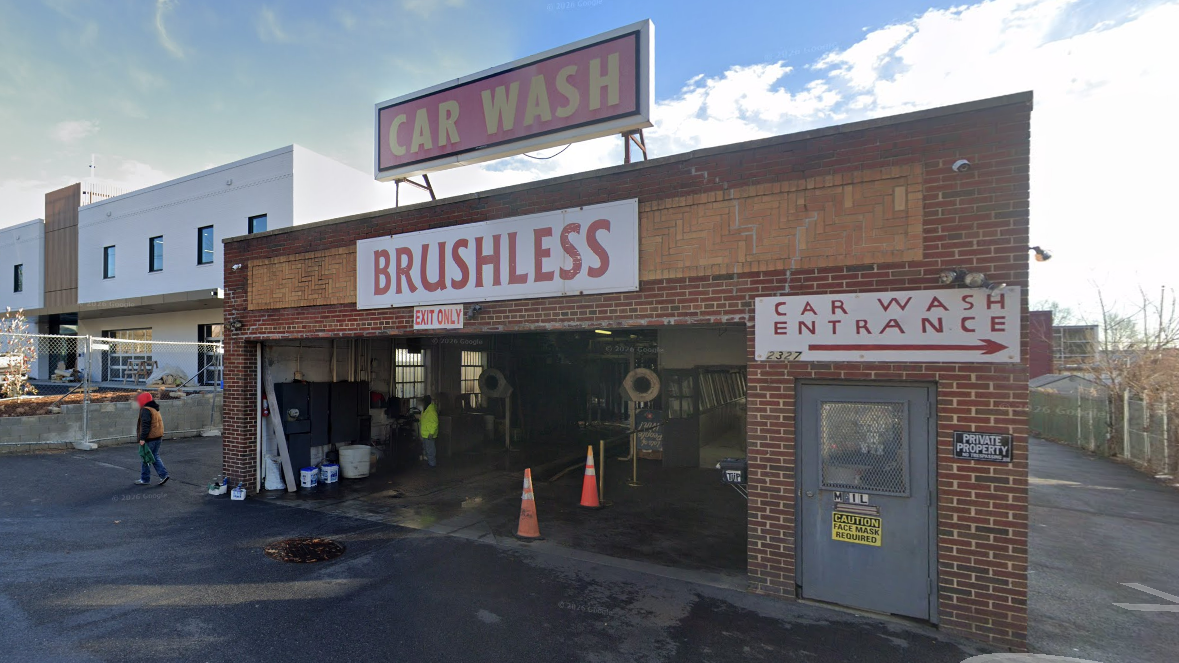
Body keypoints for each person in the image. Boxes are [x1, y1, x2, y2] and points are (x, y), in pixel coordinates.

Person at [134, 392, 169, 486]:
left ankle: (145, 479)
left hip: (150, 438)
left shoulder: (146, 410)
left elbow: (145, 425)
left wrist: (142, 438)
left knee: (146, 458)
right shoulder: (155, 408)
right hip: (158, 437)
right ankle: (164, 475)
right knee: (154, 456)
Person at [419, 395, 439, 468]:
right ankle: (429, 463)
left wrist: (431, 433)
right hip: (425, 434)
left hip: (429, 434)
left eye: (423, 402)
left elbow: (435, 422)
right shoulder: (425, 410)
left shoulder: (431, 411)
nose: (422, 404)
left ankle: (432, 465)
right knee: (426, 449)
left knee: (430, 450)